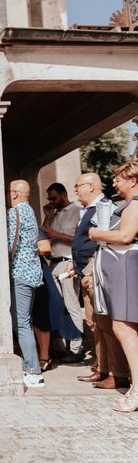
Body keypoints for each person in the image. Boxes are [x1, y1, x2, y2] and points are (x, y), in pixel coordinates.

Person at [68, 173, 129, 390]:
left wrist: (93, 271)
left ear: (92, 186)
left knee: (106, 323)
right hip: (86, 270)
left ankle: (117, 372)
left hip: (97, 271)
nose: (75, 189)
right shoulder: (90, 209)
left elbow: (108, 239)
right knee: (96, 323)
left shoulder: (105, 207)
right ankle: (102, 367)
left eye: (78, 186)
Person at [89, 162, 138, 412]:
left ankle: (137, 389)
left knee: (124, 326)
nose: (115, 183)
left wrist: (96, 233)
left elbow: (126, 235)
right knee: (122, 326)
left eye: (119, 178)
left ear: (133, 180)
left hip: (126, 269)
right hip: (120, 269)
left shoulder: (135, 204)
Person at [7, 179, 44, 388]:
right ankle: (31, 366)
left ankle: (32, 370)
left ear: (13, 194)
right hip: (32, 272)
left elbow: (8, 242)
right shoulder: (30, 211)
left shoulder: (14, 213)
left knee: (22, 323)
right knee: (25, 321)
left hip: (19, 272)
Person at [42, 182, 82, 361]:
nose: (51, 202)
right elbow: (43, 234)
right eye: (49, 199)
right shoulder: (55, 213)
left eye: (54, 198)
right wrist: (48, 217)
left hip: (68, 263)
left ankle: (76, 348)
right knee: (57, 307)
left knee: (72, 306)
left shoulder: (76, 211)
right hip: (54, 263)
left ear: (63, 195)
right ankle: (61, 346)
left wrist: (58, 235)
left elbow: (81, 240)